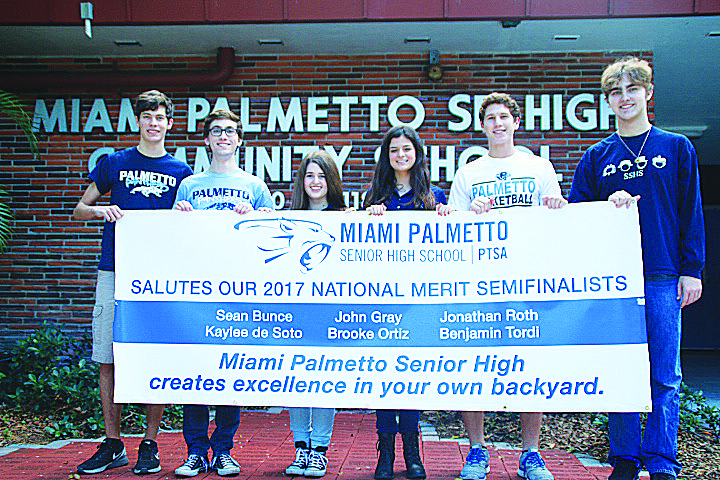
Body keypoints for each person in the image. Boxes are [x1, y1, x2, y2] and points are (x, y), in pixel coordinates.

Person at [569, 57, 704, 480]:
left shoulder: (676, 147)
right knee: (621, 370)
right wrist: (604, 205)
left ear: (648, 93)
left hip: (663, 273)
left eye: (632, 89)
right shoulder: (597, 155)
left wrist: (692, 268)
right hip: (615, 280)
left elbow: (691, 210)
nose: (624, 98)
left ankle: (662, 460)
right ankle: (625, 457)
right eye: (616, 92)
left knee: (665, 375)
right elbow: (578, 215)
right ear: (608, 101)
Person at [73, 90, 193, 475]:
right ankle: (113, 443)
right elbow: (79, 210)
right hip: (114, 269)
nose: (153, 124)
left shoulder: (181, 172)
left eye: (160, 118)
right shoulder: (114, 163)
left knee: (153, 354)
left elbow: (188, 227)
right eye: (147, 117)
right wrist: (101, 210)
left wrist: (184, 213)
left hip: (157, 276)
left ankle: (150, 443)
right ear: (137, 121)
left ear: (169, 124)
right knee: (107, 357)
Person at [448, 92, 566, 480]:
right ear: (482, 126)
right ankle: (476, 450)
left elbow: (557, 219)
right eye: (491, 118)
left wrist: (554, 207)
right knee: (474, 367)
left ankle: (531, 453)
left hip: (528, 281)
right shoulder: (468, 173)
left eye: (504, 117)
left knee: (530, 365)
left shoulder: (538, 166)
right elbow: (452, 231)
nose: (497, 124)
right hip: (480, 283)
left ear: (516, 122)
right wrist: (470, 214)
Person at [172, 109, 274, 477]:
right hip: (198, 291)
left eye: (230, 131)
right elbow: (173, 239)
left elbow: (271, 237)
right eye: (216, 131)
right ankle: (196, 451)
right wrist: (179, 215)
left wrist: (255, 214)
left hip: (238, 291)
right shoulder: (189, 185)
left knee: (230, 373)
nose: (223, 137)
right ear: (206, 140)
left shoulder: (254, 186)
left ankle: (224, 450)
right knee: (196, 372)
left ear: (240, 139)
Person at [364, 125, 452, 480]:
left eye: (406, 149)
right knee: (384, 378)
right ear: (386, 157)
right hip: (383, 303)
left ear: (417, 153)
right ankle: (385, 452)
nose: (400, 155)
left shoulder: (434, 196)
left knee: (410, 377)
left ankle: (413, 453)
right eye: (394, 150)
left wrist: (446, 218)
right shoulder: (375, 195)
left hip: (419, 303)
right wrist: (368, 216)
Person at [284, 149, 347, 478]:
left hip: (331, 313)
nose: (315, 181)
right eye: (309, 175)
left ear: (331, 180)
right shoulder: (285, 219)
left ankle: (319, 450)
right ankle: (301, 449)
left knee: (324, 381)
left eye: (322, 175)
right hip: (295, 312)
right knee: (296, 381)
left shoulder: (347, 219)